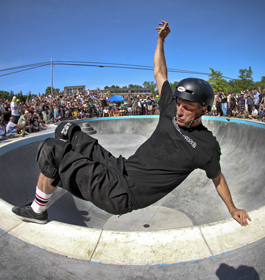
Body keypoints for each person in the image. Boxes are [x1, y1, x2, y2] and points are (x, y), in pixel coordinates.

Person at [12, 20, 250, 227]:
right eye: (179, 104)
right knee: (66, 129)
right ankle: (58, 176)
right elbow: (160, 73)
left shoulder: (206, 145)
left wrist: (232, 208)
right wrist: (160, 40)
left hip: (123, 193)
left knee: (52, 149)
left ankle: (37, 210)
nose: (180, 111)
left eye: (187, 108)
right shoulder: (169, 108)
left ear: (203, 110)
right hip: (119, 166)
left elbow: (217, 178)